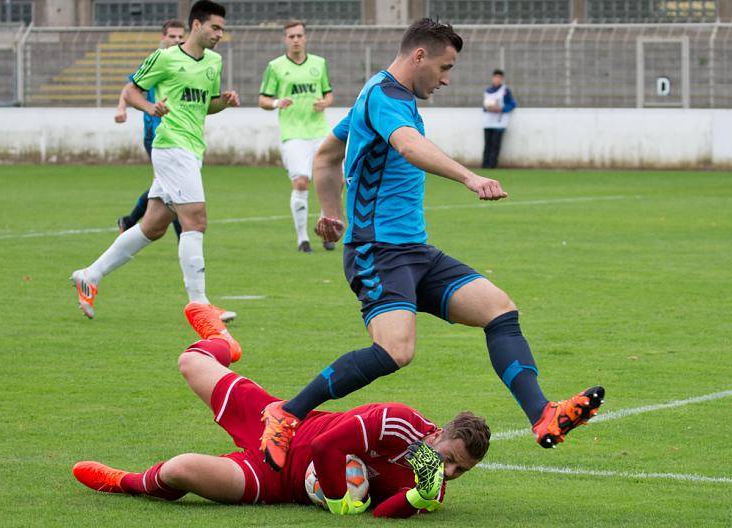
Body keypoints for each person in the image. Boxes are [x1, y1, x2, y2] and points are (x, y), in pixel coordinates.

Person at [259, 19, 604, 471]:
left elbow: (325, 155)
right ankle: (286, 413)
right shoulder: (384, 96)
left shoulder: (384, 96)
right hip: (377, 252)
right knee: (396, 351)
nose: (446, 79)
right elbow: (408, 146)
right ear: (418, 55)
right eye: (445, 67)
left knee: (499, 310)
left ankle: (543, 415)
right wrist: (470, 177)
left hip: (415, 252)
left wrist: (331, 212)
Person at [72, 334, 490, 517]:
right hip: (280, 427)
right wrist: (338, 499)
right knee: (190, 361)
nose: (451, 470)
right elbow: (326, 447)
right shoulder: (396, 421)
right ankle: (222, 340)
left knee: (180, 469)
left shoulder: (431, 480)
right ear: (437, 434)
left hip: (274, 481)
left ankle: (122, 481)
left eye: (461, 470)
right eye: (450, 458)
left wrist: (420, 496)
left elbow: (383, 513)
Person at [69, 1, 240, 330]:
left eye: (222, 28)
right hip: (171, 146)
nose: (220, 34)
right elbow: (131, 90)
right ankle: (200, 304)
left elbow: (205, 105)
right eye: (215, 27)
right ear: (196, 25)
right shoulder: (165, 58)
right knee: (196, 220)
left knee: (153, 226)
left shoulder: (214, 62)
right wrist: (150, 108)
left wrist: (224, 102)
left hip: (192, 148)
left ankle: (89, 275)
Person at [257, 21, 335, 253]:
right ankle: (303, 239)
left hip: (319, 131)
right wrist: (276, 103)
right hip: (293, 134)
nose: (296, 40)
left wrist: (324, 103)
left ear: (305, 37)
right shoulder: (275, 66)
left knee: (332, 181)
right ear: (285, 39)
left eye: (299, 35)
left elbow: (329, 94)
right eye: (291, 36)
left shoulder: (319, 63)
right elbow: (262, 100)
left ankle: (325, 229)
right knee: (301, 181)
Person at [114, 19, 186, 244]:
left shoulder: (186, 62)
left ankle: (129, 221)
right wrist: (121, 108)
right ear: (163, 38)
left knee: (167, 186)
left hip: (178, 134)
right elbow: (130, 88)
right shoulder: (157, 60)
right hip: (155, 134)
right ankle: (183, 240)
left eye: (180, 37)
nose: (176, 40)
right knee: (173, 186)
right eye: (172, 36)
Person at [481, 69, 517, 169]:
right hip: (488, 122)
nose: (497, 79)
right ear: (492, 78)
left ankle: (492, 165)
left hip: (499, 122)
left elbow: (513, 104)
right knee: (487, 144)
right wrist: (488, 108)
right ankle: (485, 165)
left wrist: (502, 109)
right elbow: (484, 106)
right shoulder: (487, 91)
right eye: (495, 77)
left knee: (495, 145)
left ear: (502, 79)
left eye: (499, 78)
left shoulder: (505, 91)